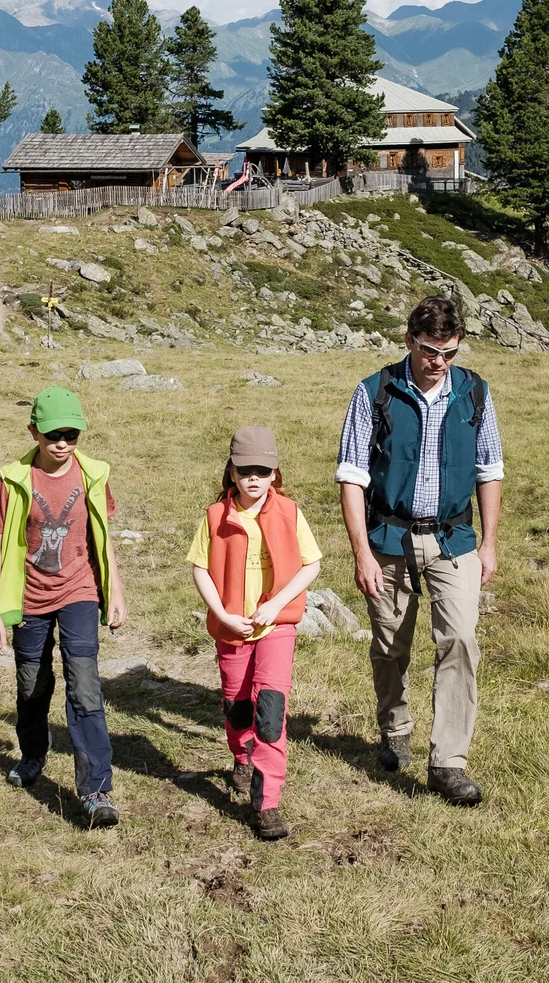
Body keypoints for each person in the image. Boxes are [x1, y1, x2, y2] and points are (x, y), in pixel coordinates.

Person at [336, 295, 503, 806]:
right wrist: (362, 552)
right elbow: (351, 476)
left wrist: (490, 543)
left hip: (455, 541)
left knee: (460, 641)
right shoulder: (374, 393)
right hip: (388, 540)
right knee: (391, 647)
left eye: (450, 352)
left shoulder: (474, 392)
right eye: (431, 350)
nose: (440, 363)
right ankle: (395, 725)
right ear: (408, 341)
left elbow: (489, 468)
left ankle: (447, 763)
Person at [0, 387, 128, 827]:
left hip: (79, 591)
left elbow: (102, 538)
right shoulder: (13, 480)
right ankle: (32, 755)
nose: (62, 443)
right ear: (34, 432)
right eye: (52, 434)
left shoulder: (93, 476)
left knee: (84, 686)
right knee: (32, 683)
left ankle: (96, 789)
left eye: (71, 433)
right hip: (28, 598)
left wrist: (114, 589)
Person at [187, 427, 323, 841]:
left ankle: (267, 806)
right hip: (231, 631)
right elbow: (199, 569)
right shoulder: (214, 517)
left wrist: (276, 604)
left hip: (276, 628)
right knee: (237, 707)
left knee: (270, 711)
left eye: (262, 471)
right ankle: (241, 758)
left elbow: (310, 564)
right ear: (231, 472)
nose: (253, 478)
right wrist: (222, 615)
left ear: (275, 472)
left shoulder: (290, 512)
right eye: (245, 470)